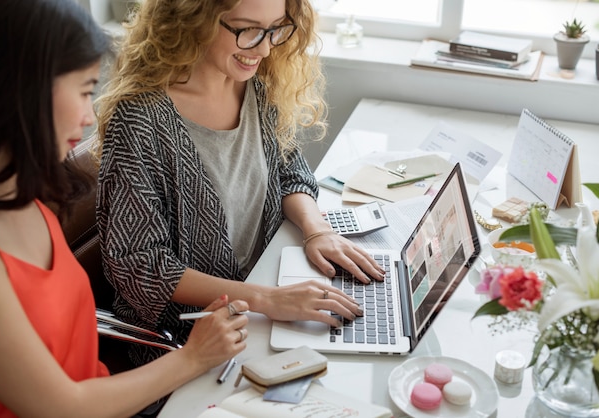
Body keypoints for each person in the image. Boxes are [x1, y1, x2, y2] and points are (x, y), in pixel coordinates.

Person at [0, 0, 248, 416]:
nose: (90, 115)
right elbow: (62, 407)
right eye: (82, 90)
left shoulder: (29, 197)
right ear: (22, 90)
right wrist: (193, 357)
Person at [95, 0, 386, 366]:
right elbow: (139, 265)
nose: (264, 49)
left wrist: (317, 231)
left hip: (265, 293)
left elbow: (289, 170)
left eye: (275, 29)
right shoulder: (140, 120)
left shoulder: (257, 85)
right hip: (190, 338)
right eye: (247, 30)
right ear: (193, 19)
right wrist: (265, 299)